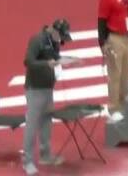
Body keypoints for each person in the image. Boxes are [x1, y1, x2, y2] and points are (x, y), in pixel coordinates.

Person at [22, 19, 80, 175]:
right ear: (54, 31)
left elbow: (56, 57)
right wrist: (47, 64)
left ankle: (45, 155)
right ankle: (27, 161)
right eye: (60, 37)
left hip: (48, 88)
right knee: (32, 125)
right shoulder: (37, 40)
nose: (61, 41)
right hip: (35, 89)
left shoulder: (54, 41)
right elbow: (28, 62)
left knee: (46, 123)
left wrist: (70, 61)